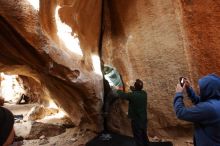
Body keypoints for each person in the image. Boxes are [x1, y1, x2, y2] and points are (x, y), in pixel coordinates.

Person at [173, 74, 220, 146]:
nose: (198, 87)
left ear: (208, 89)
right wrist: (189, 89)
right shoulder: (215, 102)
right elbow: (199, 101)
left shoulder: (208, 108)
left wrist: (178, 93)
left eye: (201, 86)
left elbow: (180, 112)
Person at [117, 79, 149, 146]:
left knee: (138, 137)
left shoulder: (132, 95)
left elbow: (122, 95)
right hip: (144, 119)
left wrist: (119, 89)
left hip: (136, 121)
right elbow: (137, 92)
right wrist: (133, 89)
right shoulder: (144, 93)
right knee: (144, 135)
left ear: (135, 87)